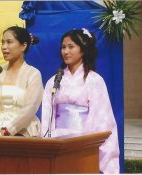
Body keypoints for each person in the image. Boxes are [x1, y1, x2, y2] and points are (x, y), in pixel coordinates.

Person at [41, 28, 120, 173]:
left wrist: (85, 145)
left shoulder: (95, 81)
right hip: (57, 143)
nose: (65, 51)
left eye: (71, 47)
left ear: (83, 50)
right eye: (63, 47)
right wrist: (48, 144)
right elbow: (47, 115)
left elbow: (102, 120)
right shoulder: (53, 81)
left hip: (83, 143)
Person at [0, 26, 43, 137]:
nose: (4, 47)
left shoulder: (32, 74)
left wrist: (4, 132)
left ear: (23, 46)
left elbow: (30, 108)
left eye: (9, 42)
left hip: (23, 132)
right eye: (2, 42)